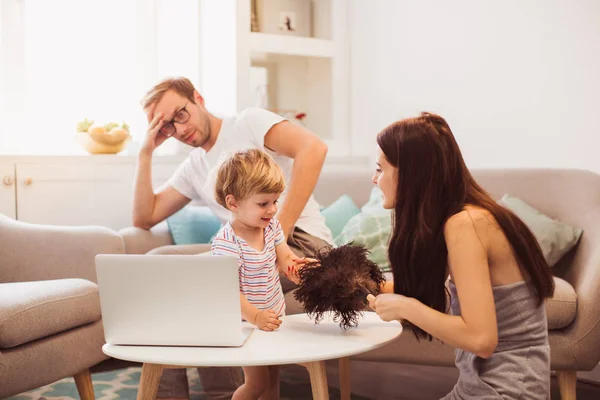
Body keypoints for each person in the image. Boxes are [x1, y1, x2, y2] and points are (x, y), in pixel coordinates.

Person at [133, 76, 332, 398]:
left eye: (180, 114)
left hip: (300, 239)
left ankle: (228, 394)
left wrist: (277, 228)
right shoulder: (194, 166)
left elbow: (314, 148)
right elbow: (143, 217)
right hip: (245, 249)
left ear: (198, 97)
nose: (179, 130)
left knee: (182, 276)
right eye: (167, 126)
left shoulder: (248, 122)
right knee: (164, 267)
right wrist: (145, 153)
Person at [367, 112, 555, 399]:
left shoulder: (466, 224)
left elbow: (481, 340)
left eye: (380, 169)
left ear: (408, 172)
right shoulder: (459, 218)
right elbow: (419, 291)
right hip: (478, 388)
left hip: (507, 392)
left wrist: (406, 307)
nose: (374, 178)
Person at [211, 149, 310, 400]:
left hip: (273, 317)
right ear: (233, 203)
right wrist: (255, 316)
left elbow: (284, 255)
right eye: (263, 203)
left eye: (275, 201)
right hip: (247, 323)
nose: (273, 209)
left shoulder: (271, 227)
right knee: (257, 382)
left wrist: (295, 267)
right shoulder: (226, 243)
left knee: (273, 381)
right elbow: (228, 292)